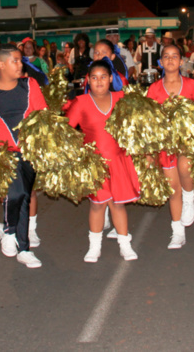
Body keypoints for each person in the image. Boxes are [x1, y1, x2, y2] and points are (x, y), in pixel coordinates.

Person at [0, 44, 47, 268]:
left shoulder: (30, 84)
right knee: (17, 194)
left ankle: (20, 244)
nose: (20, 64)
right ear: (1, 64)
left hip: (29, 152)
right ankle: (12, 234)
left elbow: (42, 115)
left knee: (24, 196)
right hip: (3, 154)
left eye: (20, 60)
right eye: (15, 60)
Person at [66, 60, 140, 262]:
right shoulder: (81, 102)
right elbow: (66, 130)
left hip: (118, 161)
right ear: (88, 80)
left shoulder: (121, 98)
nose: (99, 81)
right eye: (94, 77)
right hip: (95, 164)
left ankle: (125, 244)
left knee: (118, 204)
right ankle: (94, 246)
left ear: (111, 79)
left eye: (103, 77)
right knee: (97, 205)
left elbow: (136, 126)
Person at [145, 44, 194, 249]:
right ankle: (177, 232)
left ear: (181, 61)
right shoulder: (154, 88)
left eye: (174, 56)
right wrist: (149, 151)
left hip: (187, 142)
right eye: (166, 57)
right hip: (165, 145)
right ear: (160, 62)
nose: (170, 60)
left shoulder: (191, 85)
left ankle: (189, 197)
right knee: (172, 189)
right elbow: (148, 120)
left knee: (185, 169)